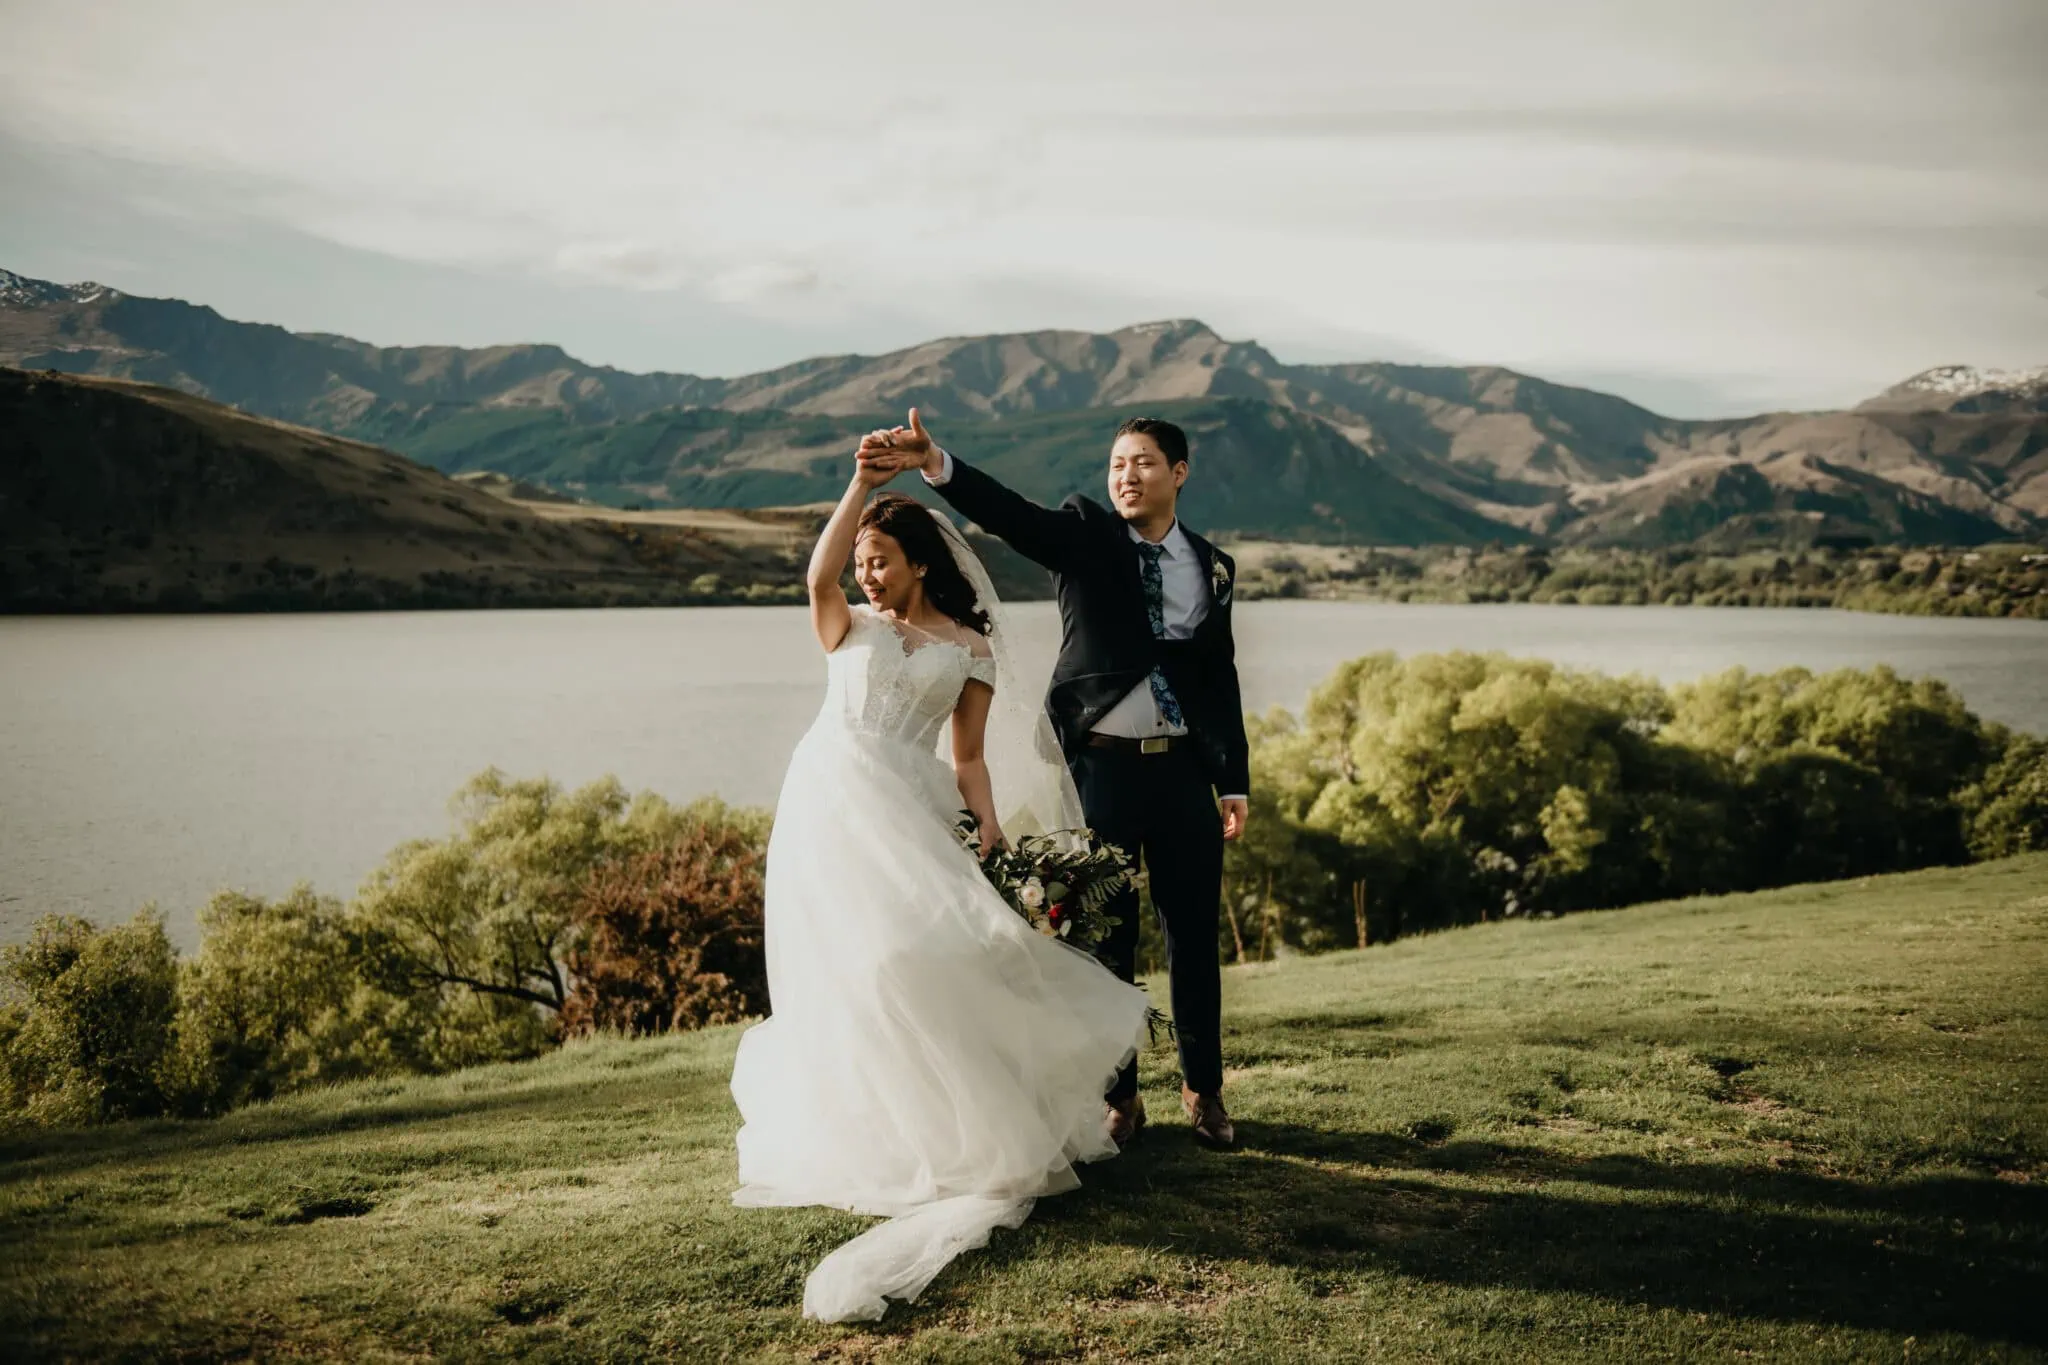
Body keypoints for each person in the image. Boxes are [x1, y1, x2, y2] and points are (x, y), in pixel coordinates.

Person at [727, 453, 1151, 1324]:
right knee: (857, 967)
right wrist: (857, 489)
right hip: (829, 806)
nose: (864, 572)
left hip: (914, 805)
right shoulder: (847, 625)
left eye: (880, 558)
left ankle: (965, 1121)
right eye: (862, 561)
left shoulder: (972, 651)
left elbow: (966, 759)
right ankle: (880, 1127)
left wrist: (989, 825)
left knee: (938, 954)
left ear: (921, 562)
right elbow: (814, 571)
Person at [859, 410, 1250, 1150]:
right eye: (1116, 465)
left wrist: (1234, 777)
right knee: (1104, 941)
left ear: (1179, 473)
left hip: (1186, 776)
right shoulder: (1085, 535)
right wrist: (938, 462)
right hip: (1099, 769)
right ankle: (1121, 1100)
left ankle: (1205, 1094)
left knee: (1194, 938)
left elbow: (1217, 675)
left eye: (1141, 463)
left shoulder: (1213, 564)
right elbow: (1011, 515)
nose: (1125, 475)